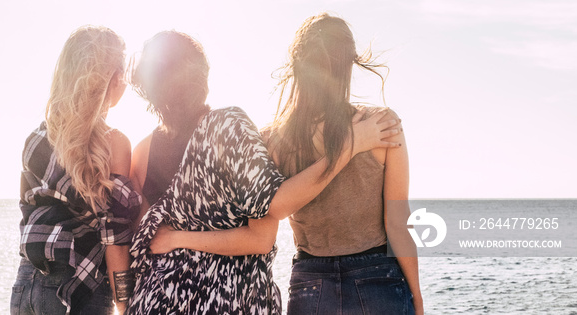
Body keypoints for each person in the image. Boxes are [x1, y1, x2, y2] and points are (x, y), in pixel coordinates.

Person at [148, 13, 423, 314]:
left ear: (298, 67)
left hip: (310, 283)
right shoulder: (382, 124)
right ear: (349, 64)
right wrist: (417, 298)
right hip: (378, 279)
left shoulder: (274, 140)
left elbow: (263, 223)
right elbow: (397, 225)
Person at [10, 25, 140, 315]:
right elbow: (114, 240)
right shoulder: (113, 144)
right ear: (114, 79)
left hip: (25, 285)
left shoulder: (36, 139)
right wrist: (126, 306)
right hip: (78, 290)